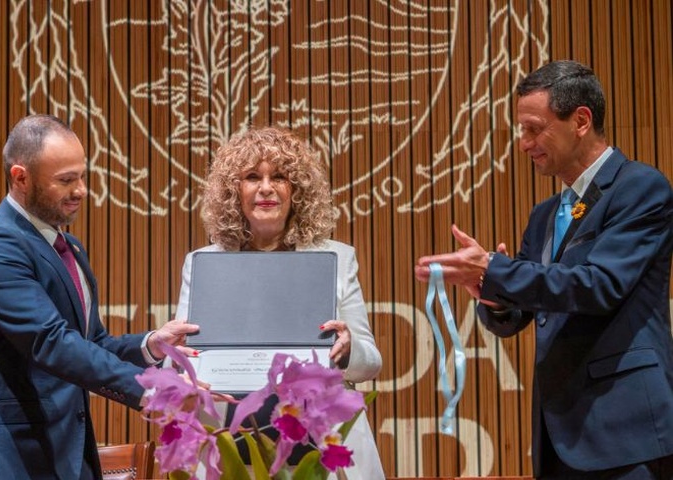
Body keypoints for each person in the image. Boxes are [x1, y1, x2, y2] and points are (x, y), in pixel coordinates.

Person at [415, 60, 673, 479]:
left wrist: (497, 269)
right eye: (521, 130)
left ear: (581, 121)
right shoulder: (543, 215)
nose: (523, 143)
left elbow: (599, 285)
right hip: (559, 435)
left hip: (625, 432)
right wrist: (491, 293)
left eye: (534, 128)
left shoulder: (640, 188)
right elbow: (523, 313)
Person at [0, 114, 198, 479]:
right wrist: (150, 390)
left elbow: (89, 343)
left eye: (82, 175)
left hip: (63, 451)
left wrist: (149, 345)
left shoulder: (69, 248)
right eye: (65, 180)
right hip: (5, 458)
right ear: (21, 178)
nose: (81, 189)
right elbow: (51, 342)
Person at [175, 126, 384, 479]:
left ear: (297, 191)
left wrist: (347, 351)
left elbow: (370, 364)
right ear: (233, 191)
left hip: (321, 445)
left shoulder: (337, 259)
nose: (267, 188)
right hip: (232, 441)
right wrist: (188, 376)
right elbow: (180, 361)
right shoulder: (202, 263)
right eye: (252, 177)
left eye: (281, 177)